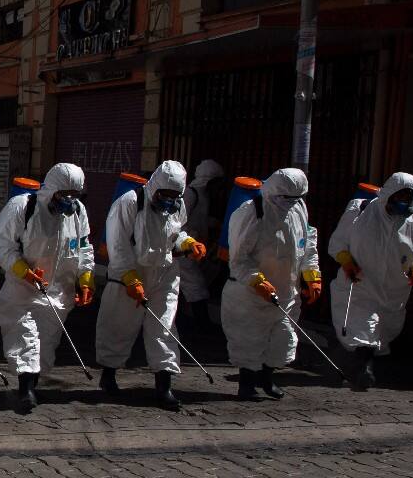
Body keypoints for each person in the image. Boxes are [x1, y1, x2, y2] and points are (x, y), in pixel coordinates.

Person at [96, 161, 204, 410]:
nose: (169, 201)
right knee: (118, 325)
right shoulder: (129, 203)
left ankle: (164, 385)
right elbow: (118, 245)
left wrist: (188, 244)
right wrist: (130, 278)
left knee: (164, 327)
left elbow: (175, 235)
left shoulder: (178, 206)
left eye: (174, 196)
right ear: (154, 187)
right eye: (164, 195)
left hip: (164, 274)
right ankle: (109, 374)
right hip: (130, 272)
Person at [0, 163, 93, 413]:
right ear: (52, 190)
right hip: (22, 290)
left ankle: (32, 384)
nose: (70, 201)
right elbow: (5, 246)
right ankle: (26, 388)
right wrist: (22, 271)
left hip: (59, 291)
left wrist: (85, 279)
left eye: (75, 195)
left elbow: (83, 248)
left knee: (46, 345)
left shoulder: (78, 212)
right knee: (26, 338)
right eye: (64, 195)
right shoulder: (23, 208)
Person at [222, 168, 319, 400]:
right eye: (287, 198)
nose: (292, 203)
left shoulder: (298, 209)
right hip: (250, 293)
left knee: (282, 339)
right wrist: (257, 281)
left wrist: (312, 275)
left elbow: (307, 243)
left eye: (297, 199)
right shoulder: (250, 213)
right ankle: (246, 384)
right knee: (249, 339)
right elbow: (238, 259)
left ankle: (267, 379)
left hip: (286, 290)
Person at [329, 172, 413, 390]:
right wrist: (346, 261)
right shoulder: (361, 210)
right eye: (399, 197)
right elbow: (338, 242)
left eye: (407, 198)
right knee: (363, 325)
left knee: (385, 328)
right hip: (362, 282)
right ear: (389, 194)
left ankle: (361, 364)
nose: (403, 203)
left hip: (395, 287)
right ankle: (365, 370)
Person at [179, 159, 224, 332]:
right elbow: (180, 222)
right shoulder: (191, 194)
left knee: (189, 286)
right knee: (195, 285)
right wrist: (192, 238)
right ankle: (202, 326)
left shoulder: (202, 195)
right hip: (185, 249)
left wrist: (214, 223)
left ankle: (186, 322)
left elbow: (200, 219)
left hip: (194, 249)